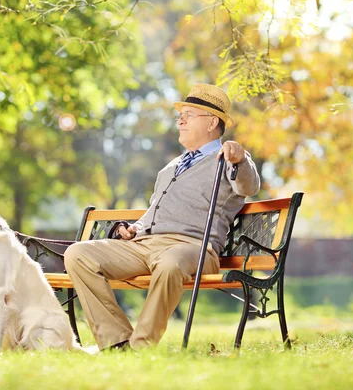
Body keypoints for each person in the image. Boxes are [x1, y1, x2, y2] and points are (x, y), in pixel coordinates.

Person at [64, 83, 260, 351]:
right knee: (78, 254)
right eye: (181, 115)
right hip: (145, 245)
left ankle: (140, 347)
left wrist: (240, 160)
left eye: (189, 115)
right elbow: (154, 211)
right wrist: (135, 228)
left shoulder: (226, 157)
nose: (180, 120)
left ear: (212, 121)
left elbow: (248, 187)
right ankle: (117, 342)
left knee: (169, 263)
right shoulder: (172, 166)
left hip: (194, 249)